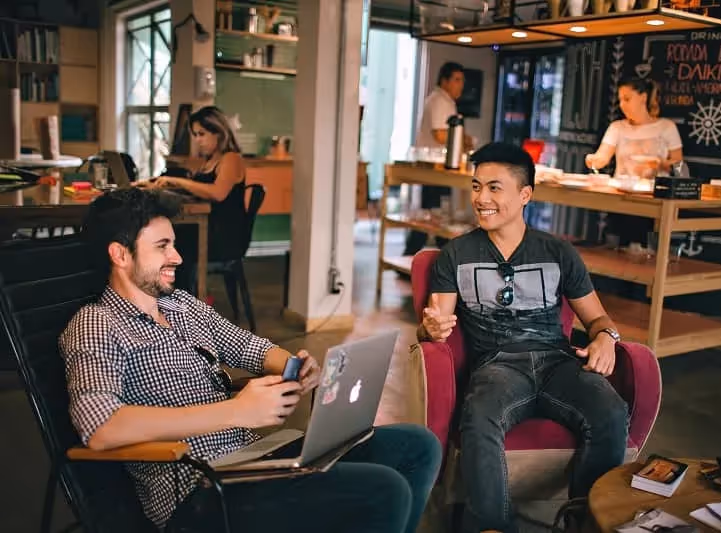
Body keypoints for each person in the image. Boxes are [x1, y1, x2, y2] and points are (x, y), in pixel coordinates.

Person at [59, 187, 442, 532]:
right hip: (199, 492)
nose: (176, 256)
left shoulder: (181, 306)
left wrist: (294, 367)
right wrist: (237, 412)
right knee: (383, 490)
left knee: (417, 445)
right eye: (162, 246)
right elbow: (101, 427)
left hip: (253, 462)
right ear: (119, 254)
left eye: (173, 244)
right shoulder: (97, 323)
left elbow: (252, 348)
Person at [417, 143, 629, 533]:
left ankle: (584, 523)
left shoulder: (557, 251)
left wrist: (607, 338)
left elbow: (598, 318)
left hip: (558, 363)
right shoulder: (456, 254)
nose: (481, 198)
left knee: (611, 412)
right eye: (477, 186)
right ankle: (491, 527)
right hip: (497, 366)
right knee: (479, 416)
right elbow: (436, 321)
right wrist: (430, 329)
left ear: (525, 194)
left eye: (494, 188)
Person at [142, 106, 249, 292]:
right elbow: (200, 190)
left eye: (202, 134)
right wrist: (160, 184)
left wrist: (177, 181)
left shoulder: (231, 159)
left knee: (171, 242)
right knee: (165, 238)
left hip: (223, 235)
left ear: (219, 133)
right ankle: (169, 298)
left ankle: (180, 302)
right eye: (195, 134)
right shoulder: (210, 161)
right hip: (208, 227)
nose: (198, 140)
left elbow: (217, 193)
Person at [404, 61, 474, 257]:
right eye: (457, 80)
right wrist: (463, 139)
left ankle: (440, 259)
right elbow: (440, 135)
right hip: (434, 169)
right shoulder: (439, 101)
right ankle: (413, 257)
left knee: (436, 216)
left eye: (462, 81)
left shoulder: (444, 101)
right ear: (444, 81)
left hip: (439, 169)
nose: (461, 85)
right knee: (433, 217)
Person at [585, 78, 683, 178]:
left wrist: (661, 164)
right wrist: (593, 160)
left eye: (627, 99)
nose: (622, 105)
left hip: (656, 190)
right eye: (620, 100)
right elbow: (602, 157)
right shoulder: (616, 127)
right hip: (620, 189)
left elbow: (680, 167)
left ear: (643, 98)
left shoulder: (666, 127)